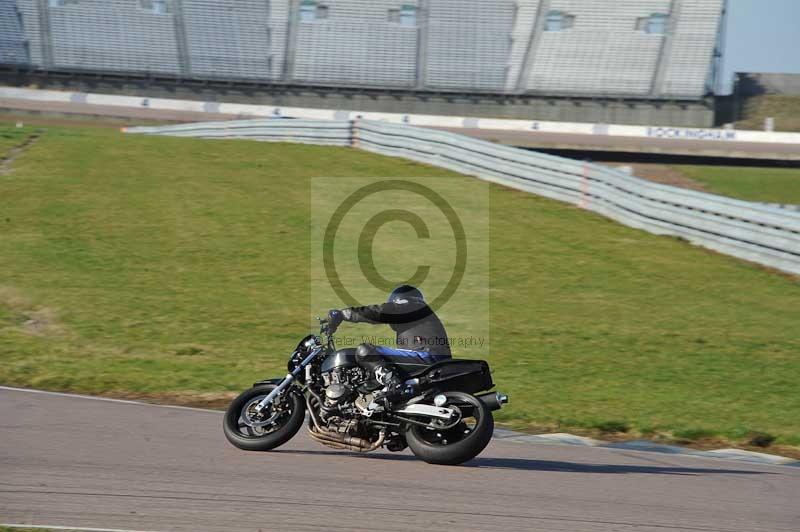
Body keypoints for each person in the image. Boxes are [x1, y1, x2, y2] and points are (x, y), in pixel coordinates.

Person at [327, 285, 451, 406]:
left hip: (428, 357)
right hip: (429, 359)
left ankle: (396, 386)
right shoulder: (416, 322)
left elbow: (382, 312)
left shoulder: (413, 305)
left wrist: (344, 314)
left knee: (365, 351)